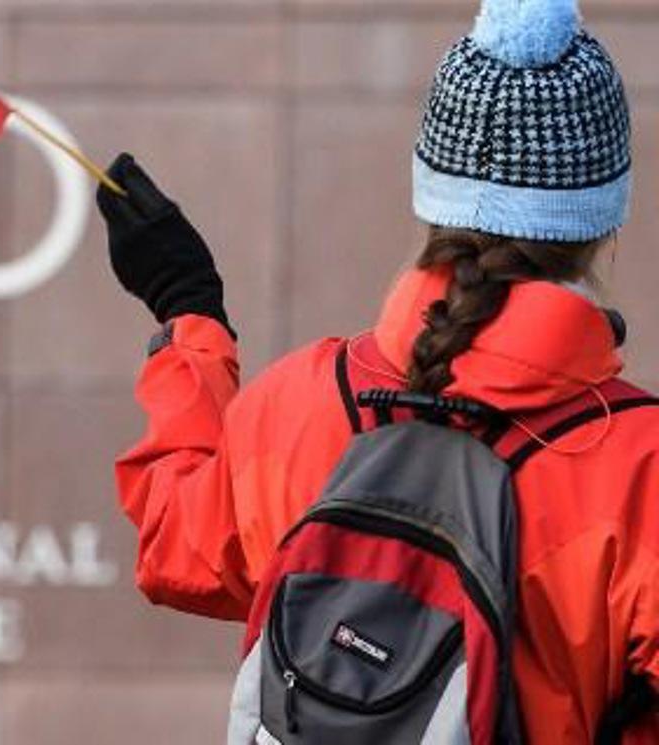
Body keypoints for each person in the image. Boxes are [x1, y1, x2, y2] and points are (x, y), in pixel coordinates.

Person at [95, 0, 658, 742]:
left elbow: (178, 542)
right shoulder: (637, 462)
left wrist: (189, 312)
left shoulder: (304, 397)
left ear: (429, 193)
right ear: (603, 224)